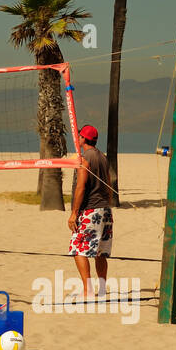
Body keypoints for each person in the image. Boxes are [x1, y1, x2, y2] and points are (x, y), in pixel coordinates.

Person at [67, 124, 113, 299]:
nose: (78, 138)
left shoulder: (85, 158)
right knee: (100, 252)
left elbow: (81, 186)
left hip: (91, 209)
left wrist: (74, 213)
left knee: (77, 248)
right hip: (105, 210)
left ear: (84, 139)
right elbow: (109, 184)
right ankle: (101, 289)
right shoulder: (102, 156)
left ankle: (88, 289)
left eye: (80, 136)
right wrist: (106, 204)